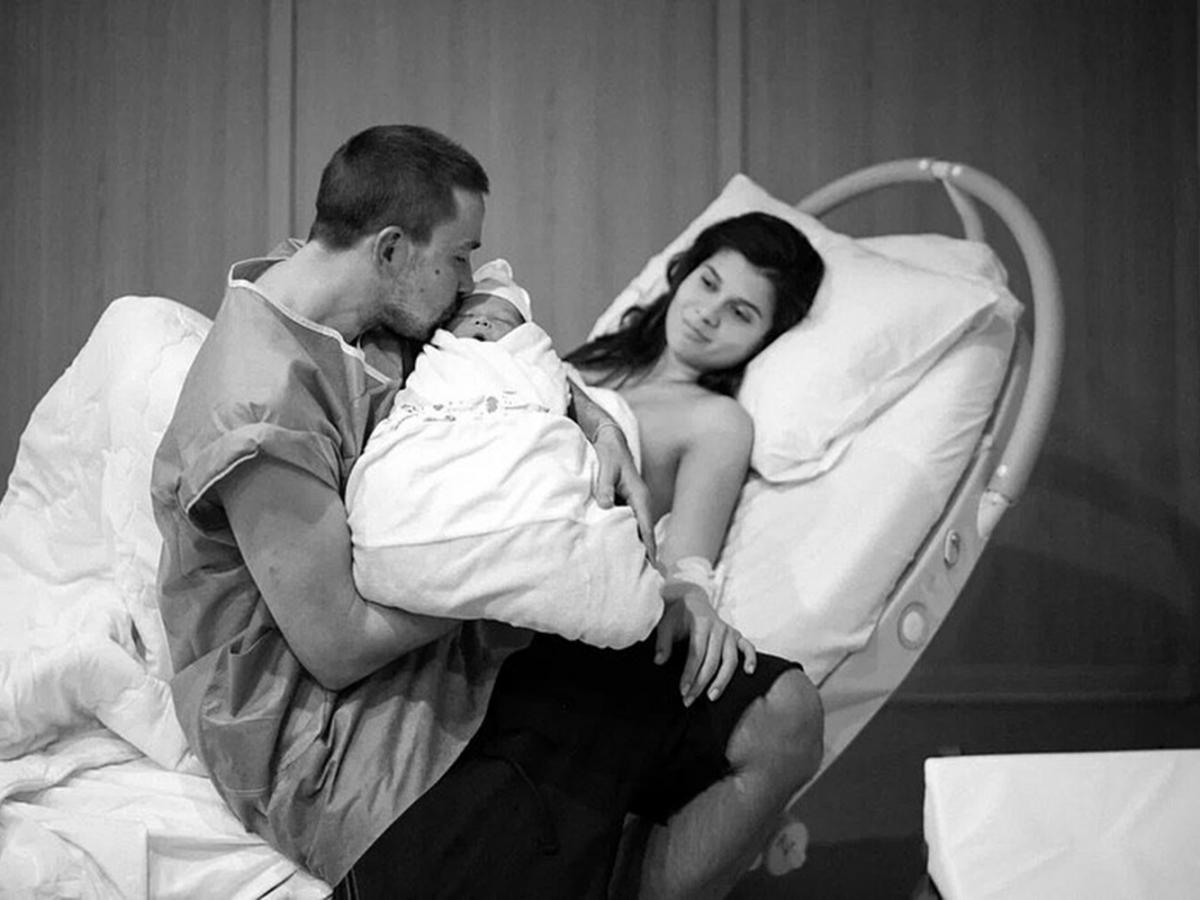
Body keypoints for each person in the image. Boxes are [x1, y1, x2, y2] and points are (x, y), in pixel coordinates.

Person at [151, 123, 825, 900]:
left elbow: (496, 350)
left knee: (784, 717)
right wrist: (532, 568)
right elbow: (338, 645)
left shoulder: (340, 287)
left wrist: (598, 425)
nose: (472, 279)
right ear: (392, 251)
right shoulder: (257, 404)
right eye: (460, 256)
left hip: (471, 652)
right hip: (339, 736)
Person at [345, 258, 663, 649]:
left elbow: (551, 379)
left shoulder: (533, 363)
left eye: (503, 320)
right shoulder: (427, 350)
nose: (481, 321)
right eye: (467, 316)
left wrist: (604, 427)